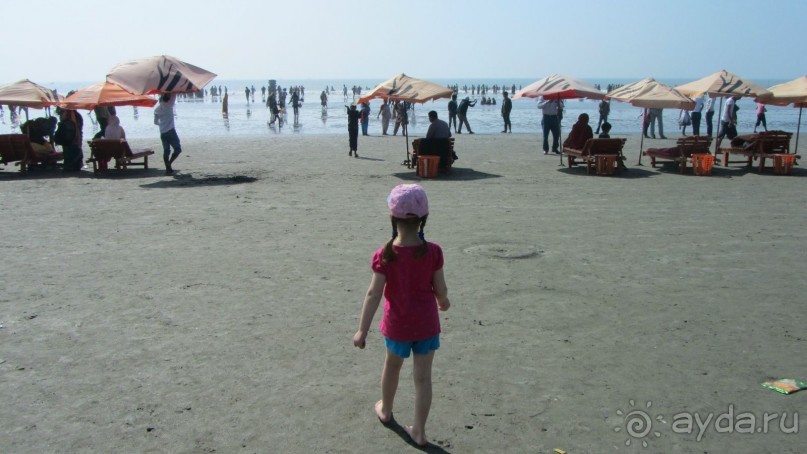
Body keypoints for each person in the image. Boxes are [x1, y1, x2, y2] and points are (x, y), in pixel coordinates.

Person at [352, 183, 450, 448]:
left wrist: (362, 330)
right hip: (427, 327)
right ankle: (419, 431)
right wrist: (444, 301)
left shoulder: (384, 255)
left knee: (392, 367)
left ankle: (386, 410)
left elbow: (373, 295)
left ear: (392, 218)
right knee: (423, 378)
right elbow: (440, 289)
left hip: (397, 327)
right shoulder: (433, 252)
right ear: (424, 218)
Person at [154, 93, 182, 174]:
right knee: (177, 149)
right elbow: (174, 95)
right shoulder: (169, 106)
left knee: (166, 150)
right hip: (170, 131)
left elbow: (155, 122)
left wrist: (162, 124)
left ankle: (168, 168)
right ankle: (169, 163)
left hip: (162, 132)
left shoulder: (157, 109)